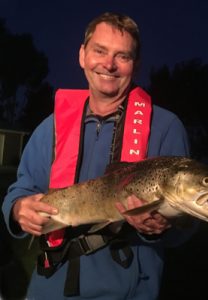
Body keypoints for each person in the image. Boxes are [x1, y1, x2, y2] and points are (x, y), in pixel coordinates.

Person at [2, 12, 197, 299]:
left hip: (126, 291)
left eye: (123, 56)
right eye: (100, 51)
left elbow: (187, 221)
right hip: (48, 286)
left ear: (135, 65)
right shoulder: (51, 126)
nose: (109, 64)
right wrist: (18, 210)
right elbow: (20, 189)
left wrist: (160, 229)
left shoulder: (166, 127)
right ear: (82, 56)